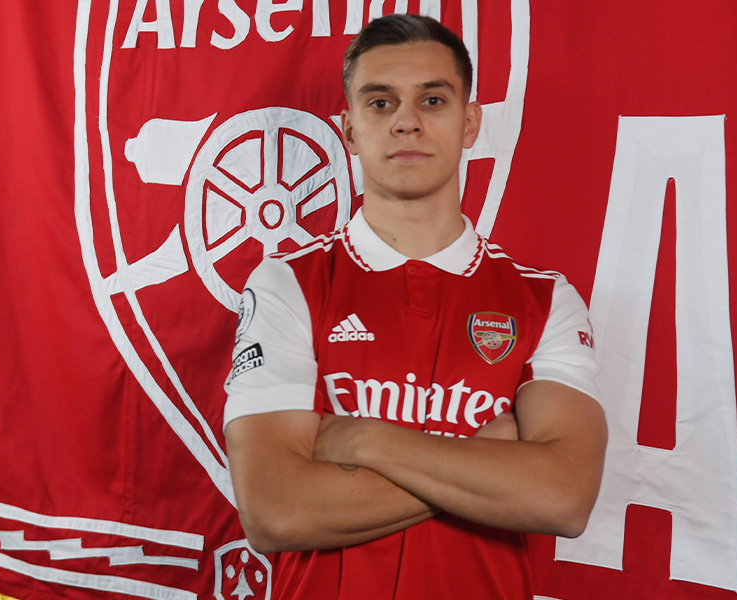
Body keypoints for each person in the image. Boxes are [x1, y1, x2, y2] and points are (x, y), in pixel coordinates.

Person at [223, 14, 607, 600]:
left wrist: (363, 440)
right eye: (380, 103)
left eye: (432, 99)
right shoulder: (286, 283)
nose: (407, 121)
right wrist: (484, 464)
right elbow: (276, 510)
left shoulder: (545, 299)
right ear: (349, 129)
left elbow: (563, 498)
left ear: (470, 122)